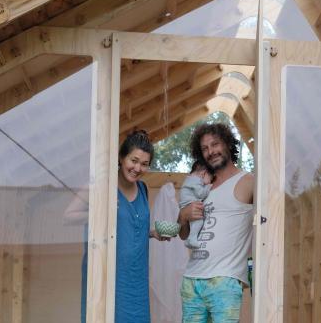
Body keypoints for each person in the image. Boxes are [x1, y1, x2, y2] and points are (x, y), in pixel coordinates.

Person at [64, 130, 169, 323]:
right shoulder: (100, 184)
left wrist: (152, 233)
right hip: (107, 276)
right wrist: (100, 211)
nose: (137, 168)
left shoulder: (144, 189)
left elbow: (128, 226)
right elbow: (68, 216)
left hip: (137, 278)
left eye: (144, 164)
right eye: (134, 160)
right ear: (121, 157)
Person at [177, 123, 254, 322]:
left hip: (225, 280)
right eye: (205, 148)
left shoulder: (248, 181)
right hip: (192, 280)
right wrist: (183, 214)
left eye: (215, 144)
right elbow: (183, 234)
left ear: (227, 143)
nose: (211, 151)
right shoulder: (201, 186)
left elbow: (270, 218)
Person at [179, 161, 214, 249]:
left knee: (194, 224)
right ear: (204, 173)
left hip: (186, 203)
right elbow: (200, 194)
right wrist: (209, 187)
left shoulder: (189, 179)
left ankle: (190, 239)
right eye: (211, 178)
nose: (210, 181)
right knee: (199, 222)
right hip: (189, 203)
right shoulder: (196, 180)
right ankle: (192, 238)